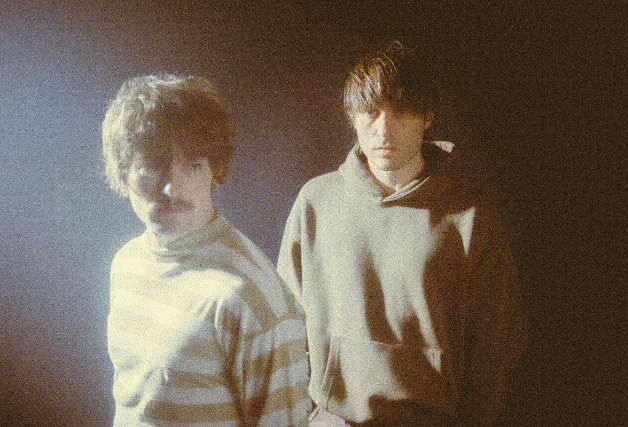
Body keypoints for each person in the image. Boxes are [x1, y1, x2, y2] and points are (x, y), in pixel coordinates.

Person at [277, 41, 528, 426]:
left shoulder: (470, 214)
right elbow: (284, 322)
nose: (384, 130)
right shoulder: (316, 201)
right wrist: (307, 413)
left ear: (427, 117)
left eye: (402, 111)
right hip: (332, 419)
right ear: (352, 117)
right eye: (371, 112)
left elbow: (498, 342)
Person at [102, 74, 311, 426]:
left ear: (215, 172)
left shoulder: (252, 299)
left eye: (192, 166)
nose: (171, 188)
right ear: (123, 174)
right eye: (153, 166)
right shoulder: (127, 263)